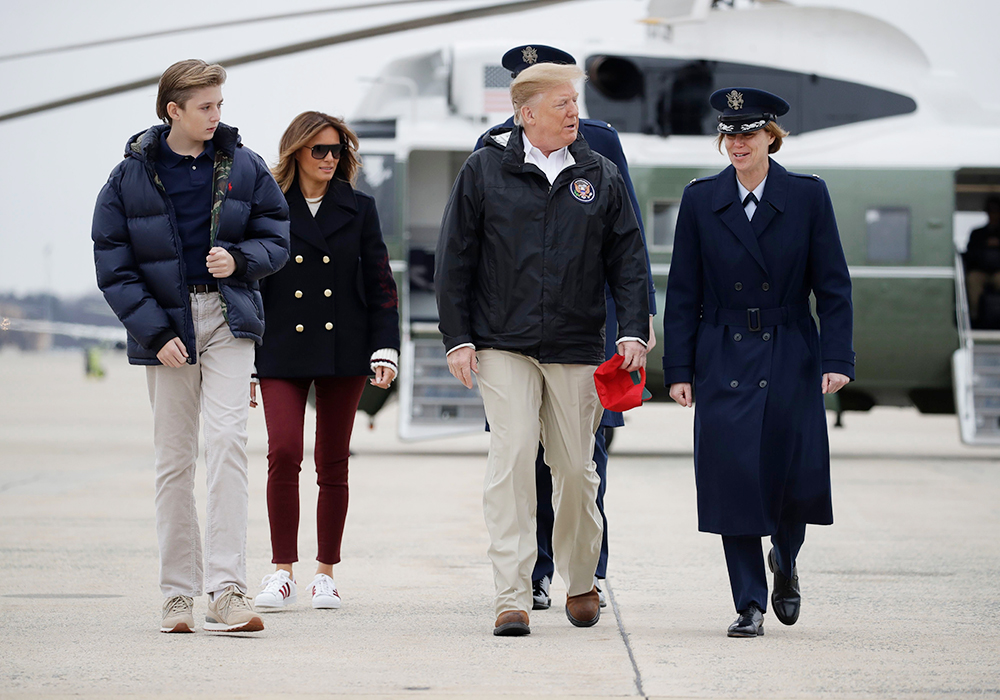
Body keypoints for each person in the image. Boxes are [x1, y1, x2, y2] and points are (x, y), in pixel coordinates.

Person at [437, 62, 650, 636]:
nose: (574, 113)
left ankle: (581, 581)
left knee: (577, 470)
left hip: (576, 344)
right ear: (526, 114)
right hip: (502, 343)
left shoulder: (599, 173)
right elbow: (454, 258)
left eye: (573, 102)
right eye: (562, 104)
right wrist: (458, 338)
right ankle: (512, 594)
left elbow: (628, 260)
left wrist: (632, 330)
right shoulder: (484, 170)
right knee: (510, 462)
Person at [92, 59, 290, 633]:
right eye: (205, 106)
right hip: (166, 331)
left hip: (228, 318)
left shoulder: (246, 167)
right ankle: (178, 593)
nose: (216, 115)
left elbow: (276, 237)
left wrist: (242, 259)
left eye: (220, 105)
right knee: (174, 460)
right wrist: (156, 333)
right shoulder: (127, 177)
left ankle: (226, 590)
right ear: (172, 110)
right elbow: (114, 263)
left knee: (228, 443)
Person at [662, 88, 854, 638]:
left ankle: (786, 559)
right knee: (733, 480)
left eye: (748, 133)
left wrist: (837, 357)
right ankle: (748, 601)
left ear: (772, 135)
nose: (737, 143)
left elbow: (834, 286)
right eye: (729, 134)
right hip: (722, 353)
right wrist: (680, 370)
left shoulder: (808, 196)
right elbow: (682, 292)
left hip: (792, 348)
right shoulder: (701, 199)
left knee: (792, 477)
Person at [251, 111, 400, 612]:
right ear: (295, 151)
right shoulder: (266, 206)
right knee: (283, 452)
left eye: (337, 150)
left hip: (346, 348)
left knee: (332, 462)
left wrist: (385, 347)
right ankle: (281, 570)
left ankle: (325, 574)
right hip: (280, 348)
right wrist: (247, 356)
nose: (330, 158)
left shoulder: (359, 208)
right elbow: (254, 284)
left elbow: (380, 281)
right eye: (319, 150)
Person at [964, 195, 1000, 325]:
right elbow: (970, 254)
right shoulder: (977, 233)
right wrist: (984, 246)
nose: (994, 215)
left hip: (998, 272)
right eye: (991, 211)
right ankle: (975, 318)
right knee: (972, 279)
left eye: (996, 211)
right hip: (981, 270)